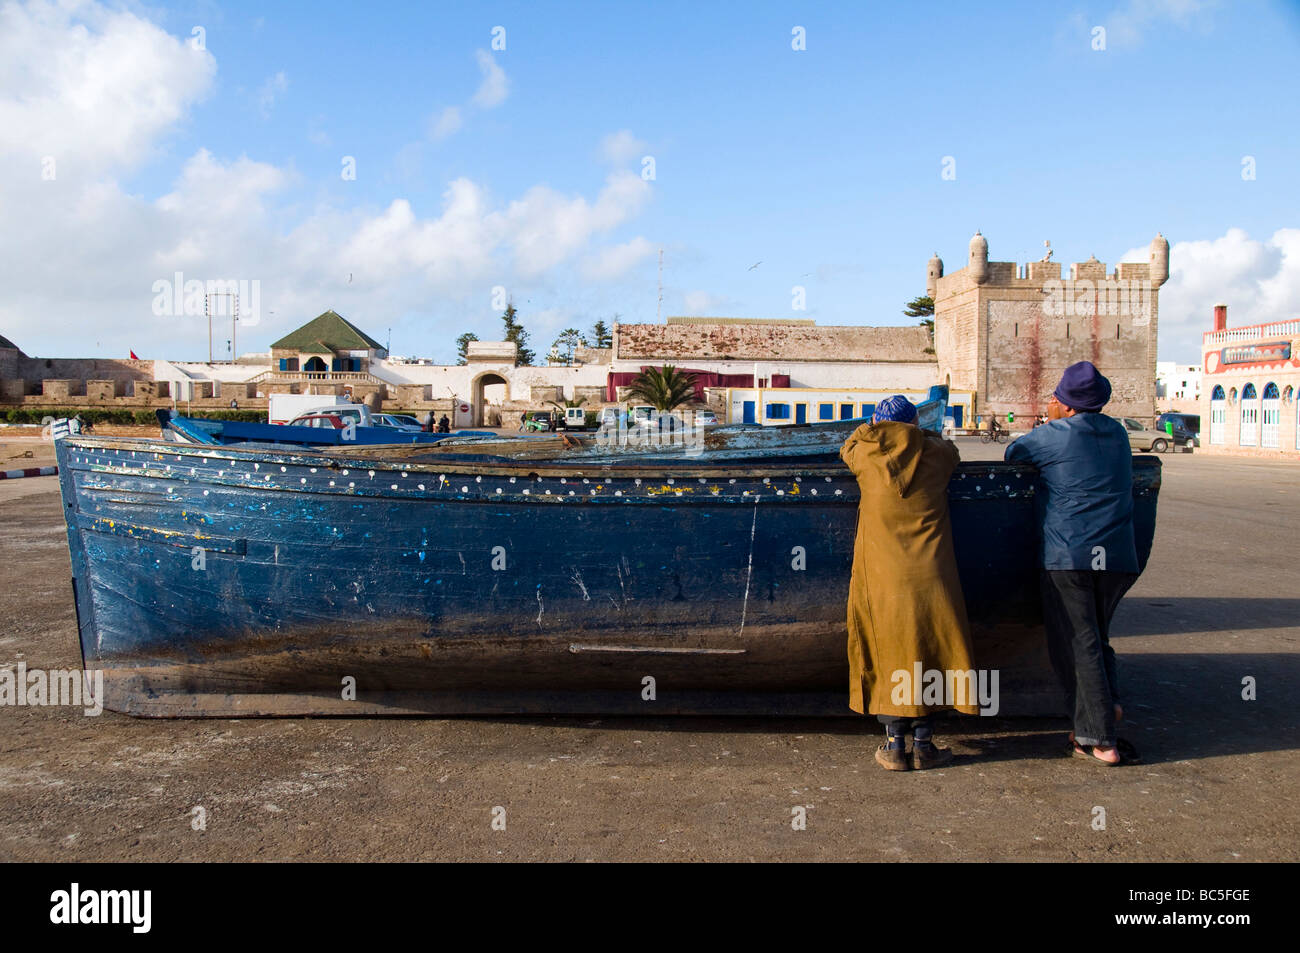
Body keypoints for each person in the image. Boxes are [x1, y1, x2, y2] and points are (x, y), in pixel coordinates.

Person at [1005, 361, 1141, 766]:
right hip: (1118, 556)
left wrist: (1047, 422)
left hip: (1071, 554)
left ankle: (1099, 739)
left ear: (1065, 403)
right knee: (1097, 636)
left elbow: (1013, 453)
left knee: (1076, 643)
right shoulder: (1117, 432)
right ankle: (1108, 707)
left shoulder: (1052, 436)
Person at [840, 395, 979, 771]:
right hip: (933, 574)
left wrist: (869, 427)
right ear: (916, 425)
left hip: (883, 577)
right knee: (928, 649)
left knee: (888, 651)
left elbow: (848, 444)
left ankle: (893, 744)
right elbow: (950, 447)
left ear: (877, 424)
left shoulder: (865, 456)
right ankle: (924, 744)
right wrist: (921, 432)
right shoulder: (939, 457)